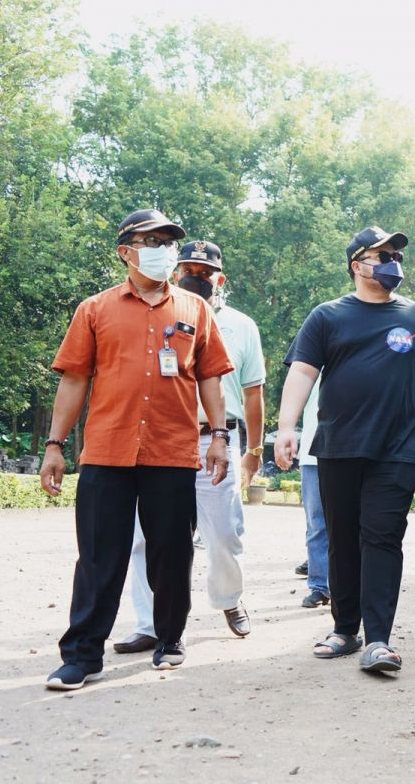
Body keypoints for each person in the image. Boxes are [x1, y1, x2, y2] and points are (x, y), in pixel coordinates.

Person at [40, 209, 234, 689]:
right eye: (152, 240)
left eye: (168, 241)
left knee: (170, 553)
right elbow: (74, 380)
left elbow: (209, 378)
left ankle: (169, 638)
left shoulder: (195, 311)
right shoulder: (95, 309)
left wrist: (219, 436)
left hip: (171, 450)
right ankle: (82, 656)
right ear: (125, 251)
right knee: (99, 556)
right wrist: (54, 444)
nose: (164, 249)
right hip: (108, 450)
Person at [275, 225, 415, 673]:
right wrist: (287, 426)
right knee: (343, 539)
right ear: (357, 265)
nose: (391, 263)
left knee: (383, 536)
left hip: (397, 449)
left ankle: (379, 639)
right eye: (381, 255)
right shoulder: (327, 316)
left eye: (395, 255)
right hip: (338, 446)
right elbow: (303, 372)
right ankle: (345, 628)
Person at [113, 239, 265, 653]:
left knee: (224, 533)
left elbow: (253, 393)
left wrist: (254, 449)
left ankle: (229, 599)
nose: (196, 278)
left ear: (221, 278)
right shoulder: (159, 315)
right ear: (176, 272)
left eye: (205, 273)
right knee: (147, 535)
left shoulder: (242, 326)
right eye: (189, 271)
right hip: (163, 438)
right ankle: (149, 622)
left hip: (216, 440)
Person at [299, 382, 331, 608]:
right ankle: (319, 586)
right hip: (311, 454)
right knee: (316, 523)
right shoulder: (309, 362)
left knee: (347, 524)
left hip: (347, 451)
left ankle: (343, 586)